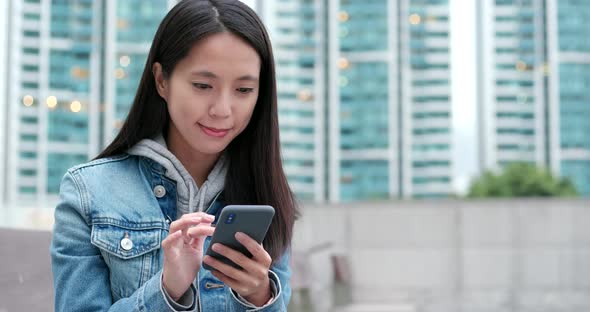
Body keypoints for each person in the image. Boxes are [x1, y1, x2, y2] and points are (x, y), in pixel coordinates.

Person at [50, 0, 298, 311]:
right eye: (203, 85)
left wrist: (261, 296)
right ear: (161, 80)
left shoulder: (267, 192)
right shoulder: (89, 193)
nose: (222, 110)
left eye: (243, 90)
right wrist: (166, 290)